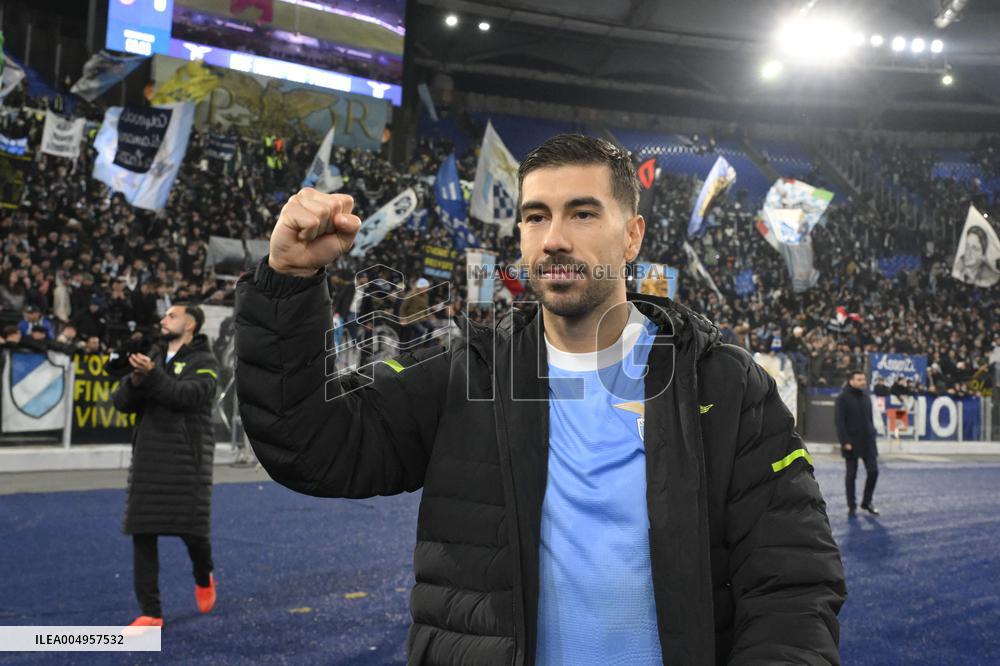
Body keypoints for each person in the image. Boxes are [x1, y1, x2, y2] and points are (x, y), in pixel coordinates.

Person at [235, 135, 846, 664]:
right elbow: (311, 446)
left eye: (582, 214)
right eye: (535, 217)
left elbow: (792, 582)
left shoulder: (722, 384)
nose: (553, 239)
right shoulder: (467, 374)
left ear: (632, 235)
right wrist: (287, 282)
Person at [111, 303, 220, 628]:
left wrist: (152, 375)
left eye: (171, 315)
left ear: (191, 325)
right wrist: (135, 378)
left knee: (194, 534)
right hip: (148, 457)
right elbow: (121, 403)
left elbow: (188, 396)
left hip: (188, 460)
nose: (163, 319)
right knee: (142, 533)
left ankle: (204, 576)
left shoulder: (205, 360)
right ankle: (151, 612)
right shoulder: (153, 358)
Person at [835, 370, 880, 517]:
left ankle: (866, 502)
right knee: (851, 475)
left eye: (863, 379)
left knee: (873, 472)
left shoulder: (867, 397)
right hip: (851, 442)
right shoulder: (842, 398)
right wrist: (845, 441)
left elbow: (870, 419)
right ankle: (851, 506)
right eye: (859, 379)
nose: (863, 382)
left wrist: (872, 434)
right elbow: (839, 422)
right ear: (851, 381)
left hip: (868, 441)